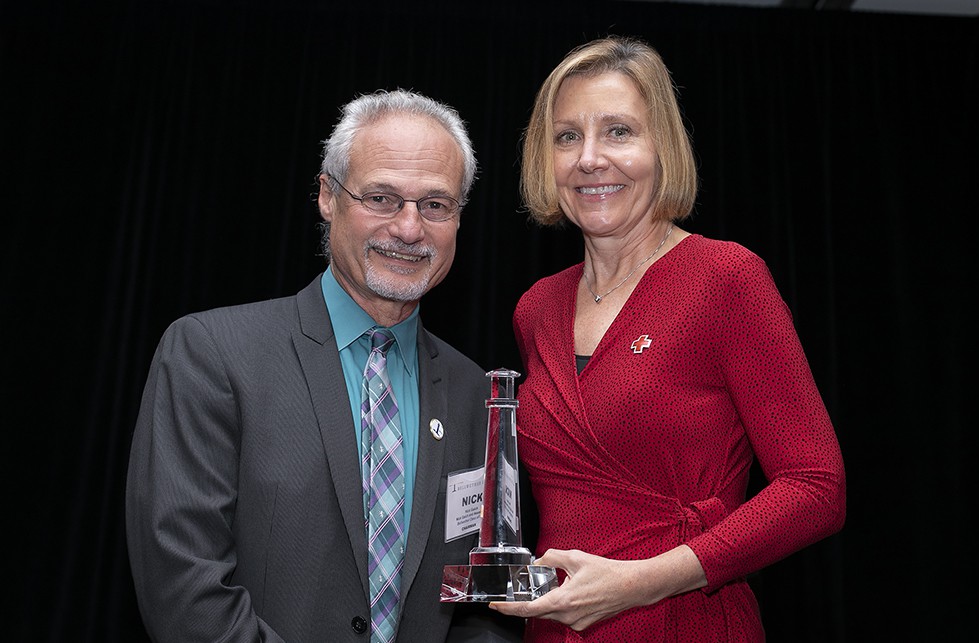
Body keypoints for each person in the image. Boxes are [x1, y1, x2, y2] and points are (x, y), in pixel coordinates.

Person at [126, 89, 521, 643]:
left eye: (435, 204)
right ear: (326, 196)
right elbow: (184, 589)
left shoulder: (478, 395)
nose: (409, 229)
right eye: (382, 198)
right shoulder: (210, 354)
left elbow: (482, 600)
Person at [490, 36, 847, 641]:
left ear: (663, 148)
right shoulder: (537, 308)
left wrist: (645, 581)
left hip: (685, 622)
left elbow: (817, 488)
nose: (590, 158)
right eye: (567, 136)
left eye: (619, 132)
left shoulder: (726, 280)